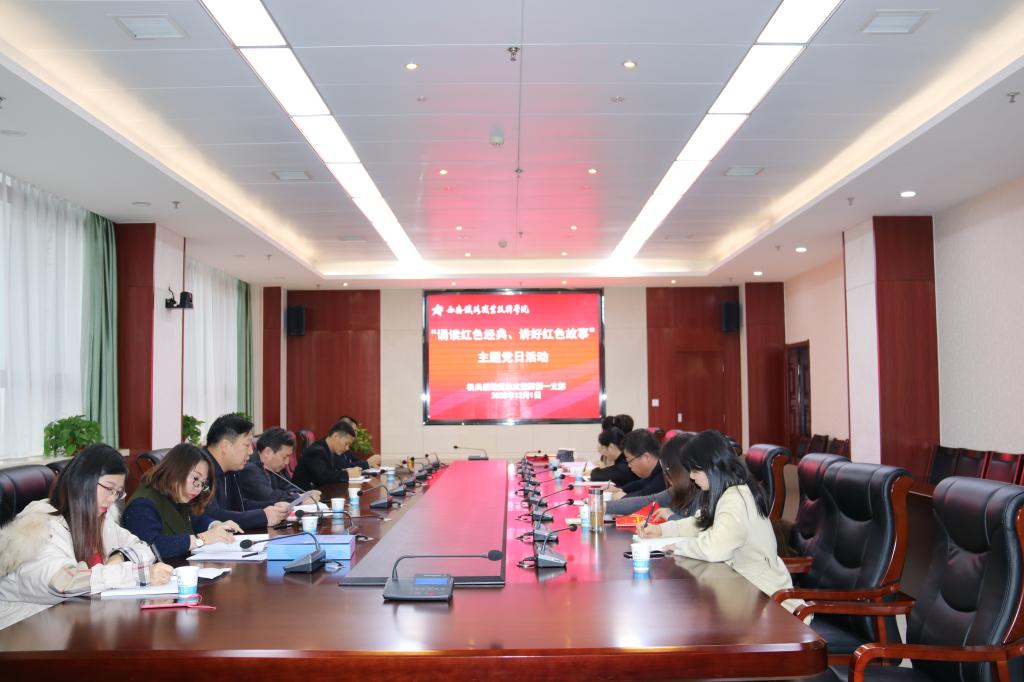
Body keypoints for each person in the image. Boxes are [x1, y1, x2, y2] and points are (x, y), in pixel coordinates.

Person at [0, 444, 173, 619]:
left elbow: (142, 547)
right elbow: (65, 582)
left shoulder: (100, 519)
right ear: (83, 481)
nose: (112, 499)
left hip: (75, 618)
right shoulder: (40, 526)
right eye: (109, 488)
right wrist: (139, 574)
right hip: (26, 626)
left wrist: (119, 556)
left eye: (118, 492)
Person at [637, 430, 800, 613]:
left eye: (695, 470)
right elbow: (701, 522)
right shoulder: (728, 490)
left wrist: (678, 547)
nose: (691, 476)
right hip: (744, 590)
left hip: (767, 601)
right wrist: (662, 531)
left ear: (712, 467)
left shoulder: (735, 498)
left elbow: (714, 549)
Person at [123, 443, 242, 560]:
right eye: (196, 478)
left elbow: (195, 521)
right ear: (176, 469)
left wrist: (215, 526)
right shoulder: (141, 505)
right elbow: (152, 546)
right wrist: (203, 539)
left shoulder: (176, 495)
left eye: (203, 483)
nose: (199, 488)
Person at [204, 414, 289, 529]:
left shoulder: (230, 470)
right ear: (225, 446)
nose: (251, 452)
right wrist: (262, 517)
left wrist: (274, 507)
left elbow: (239, 506)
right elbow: (211, 515)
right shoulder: (200, 469)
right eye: (247, 445)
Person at [606, 432, 697, 517]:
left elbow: (695, 525)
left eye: (668, 469)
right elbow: (648, 501)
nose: (666, 475)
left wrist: (670, 517)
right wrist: (603, 506)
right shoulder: (677, 489)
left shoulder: (702, 494)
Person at [237, 428, 321, 506]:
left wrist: (303, 495)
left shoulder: (274, 468)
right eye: (284, 457)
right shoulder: (249, 469)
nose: (287, 462)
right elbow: (270, 497)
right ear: (267, 452)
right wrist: (299, 498)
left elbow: (291, 488)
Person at [291, 419, 364, 490]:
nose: (347, 448)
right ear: (335, 436)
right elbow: (323, 477)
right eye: (346, 444)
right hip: (303, 495)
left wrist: (346, 470)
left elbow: (333, 471)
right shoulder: (317, 451)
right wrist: (347, 474)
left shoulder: (330, 450)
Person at [606, 429, 666, 500]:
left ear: (646, 457)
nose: (629, 466)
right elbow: (641, 483)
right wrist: (620, 489)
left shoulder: (666, 473)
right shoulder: (658, 467)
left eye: (629, 461)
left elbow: (647, 496)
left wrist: (623, 497)